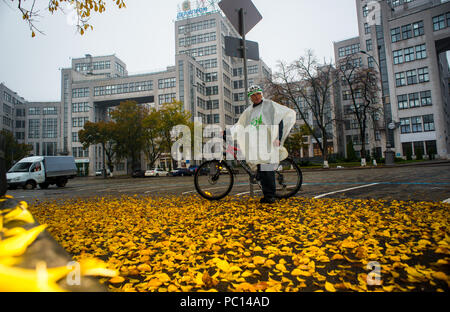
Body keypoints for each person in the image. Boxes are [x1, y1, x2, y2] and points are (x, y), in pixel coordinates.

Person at [230, 85, 296, 204]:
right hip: (257, 144)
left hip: (269, 142)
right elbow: (240, 124)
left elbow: (279, 120)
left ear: (261, 94)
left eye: (258, 94)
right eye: (253, 95)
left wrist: (278, 138)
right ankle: (267, 195)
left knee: (267, 169)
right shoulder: (249, 111)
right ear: (250, 98)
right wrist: (226, 132)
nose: (256, 97)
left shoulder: (269, 105)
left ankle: (270, 196)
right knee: (261, 169)